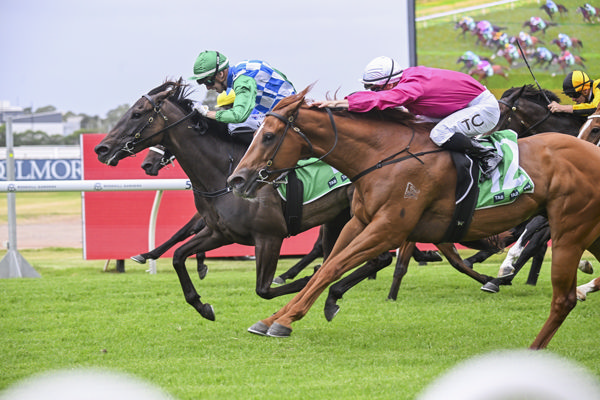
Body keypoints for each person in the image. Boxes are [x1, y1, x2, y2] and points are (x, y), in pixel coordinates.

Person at [312, 56, 502, 180]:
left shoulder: (411, 87)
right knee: (415, 129)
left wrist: (339, 103)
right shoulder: (405, 78)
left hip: (483, 108)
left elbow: (382, 100)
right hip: (463, 106)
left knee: (440, 133)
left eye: (373, 87)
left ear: (389, 83)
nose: (371, 91)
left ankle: (488, 155)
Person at [189, 50, 295, 143]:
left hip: (289, 117)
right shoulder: (241, 68)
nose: (208, 87)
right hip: (287, 111)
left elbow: (238, 116)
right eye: (203, 83)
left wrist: (206, 113)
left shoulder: (242, 80)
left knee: (234, 126)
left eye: (208, 81)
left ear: (221, 74)